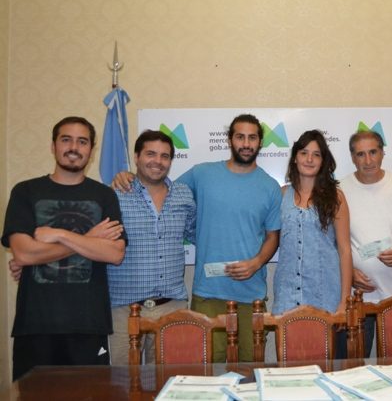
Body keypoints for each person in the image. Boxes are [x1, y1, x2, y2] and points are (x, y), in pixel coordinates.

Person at [113, 114, 281, 362]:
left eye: (252, 138)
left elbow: (273, 236)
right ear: (230, 140)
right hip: (207, 293)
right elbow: (159, 187)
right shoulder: (202, 173)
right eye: (240, 137)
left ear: (260, 142)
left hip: (251, 295)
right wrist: (126, 176)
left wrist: (256, 263)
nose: (246, 143)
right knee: (208, 371)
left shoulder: (270, 186)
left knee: (250, 368)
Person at [2, 116, 126, 380]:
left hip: (88, 324)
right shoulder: (25, 192)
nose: (74, 147)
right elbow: (23, 253)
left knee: (90, 395)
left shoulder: (104, 196)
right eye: (66, 139)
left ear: (91, 150)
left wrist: (58, 235)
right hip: (35, 324)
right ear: (53, 145)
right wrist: (90, 239)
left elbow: (115, 254)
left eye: (82, 142)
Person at [107, 130, 196, 364]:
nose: (158, 161)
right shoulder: (114, 194)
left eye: (165, 156)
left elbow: (198, 233)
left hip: (172, 307)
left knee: (170, 379)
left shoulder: (183, 194)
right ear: (136, 157)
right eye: (150, 154)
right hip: (124, 310)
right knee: (123, 380)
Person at [337, 130, 392, 357]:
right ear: (352, 157)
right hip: (357, 297)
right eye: (360, 154)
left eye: (373, 152)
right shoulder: (340, 189)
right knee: (353, 365)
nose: (368, 160)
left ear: (382, 153)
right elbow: (331, 241)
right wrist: (348, 272)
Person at [272, 130, 352, 315]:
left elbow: (345, 250)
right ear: (295, 157)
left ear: (323, 161)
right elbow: (270, 239)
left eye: (316, 155)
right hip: (286, 297)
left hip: (325, 296)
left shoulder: (336, 197)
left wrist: (345, 301)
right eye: (304, 153)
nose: (309, 159)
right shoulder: (281, 195)